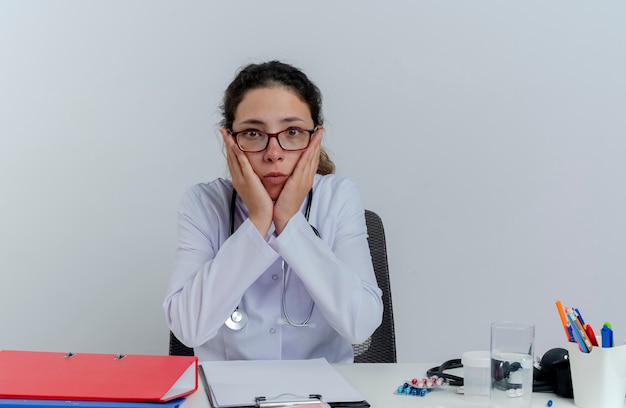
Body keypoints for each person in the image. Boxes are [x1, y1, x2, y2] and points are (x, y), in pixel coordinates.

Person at [163, 60, 383, 363]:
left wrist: (290, 224)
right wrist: (257, 221)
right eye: (253, 133)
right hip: (226, 395)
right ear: (229, 140)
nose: (273, 153)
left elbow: (361, 326)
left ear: (314, 139)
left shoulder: (337, 197)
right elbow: (188, 329)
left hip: (322, 395)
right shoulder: (203, 203)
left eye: (292, 131)